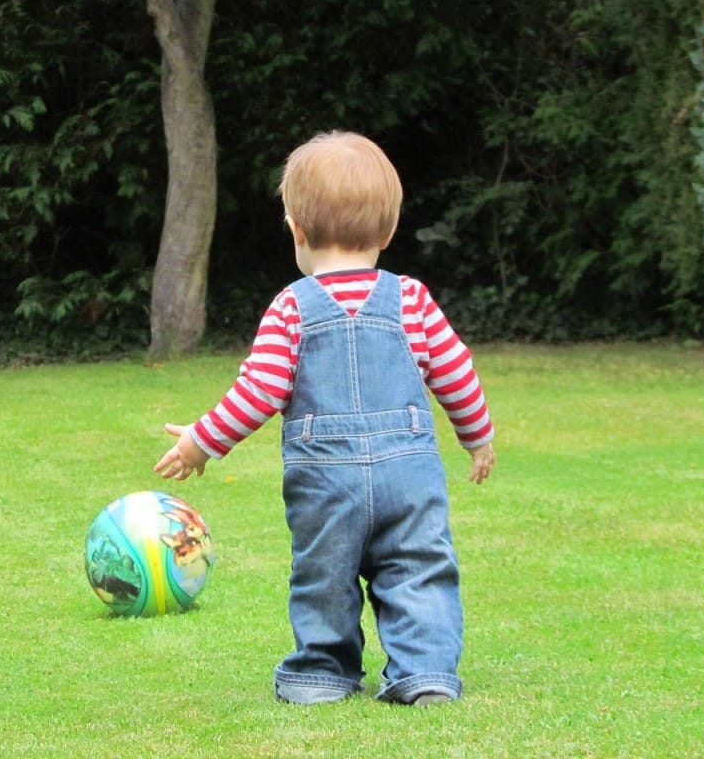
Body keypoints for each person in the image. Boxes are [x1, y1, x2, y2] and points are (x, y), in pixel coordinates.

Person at [153, 131, 495, 706]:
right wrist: (476, 437)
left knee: (323, 576)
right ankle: (427, 671)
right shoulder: (412, 300)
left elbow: (257, 391)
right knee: (419, 569)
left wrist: (201, 443)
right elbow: (457, 372)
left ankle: (321, 673)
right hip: (408, 478)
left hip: (324, 483)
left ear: (297, 231)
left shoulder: (291, 308)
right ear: (387, 232)